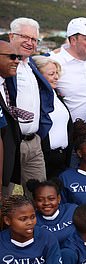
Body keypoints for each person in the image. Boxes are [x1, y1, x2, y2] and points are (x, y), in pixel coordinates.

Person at [9, 18, 54, 193]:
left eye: (34, 39)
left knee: (39, 194)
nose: (30, 42)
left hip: (34, 142)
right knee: (5, 195)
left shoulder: (31, 65)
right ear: (11, 36)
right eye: (25, 37)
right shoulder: (4, 64)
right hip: (11, 142)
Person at [31, 56, 72, 179]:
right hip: (45, 158)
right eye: (51, 74)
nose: (56, 77)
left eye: (57, 73)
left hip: (62, 157)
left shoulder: (56, 95)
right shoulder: (35, 98)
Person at [0, 40, 22, 195]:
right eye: (12, 57)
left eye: (18, 57)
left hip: (8, 163)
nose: (17, 61)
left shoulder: (7, 84)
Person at [27, 178, 77, 245]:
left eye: (51, 199)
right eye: (40, 200)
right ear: (34, 201)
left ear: (59, 198)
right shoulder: (31, 221)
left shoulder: (72, 210)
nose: (46, 203)